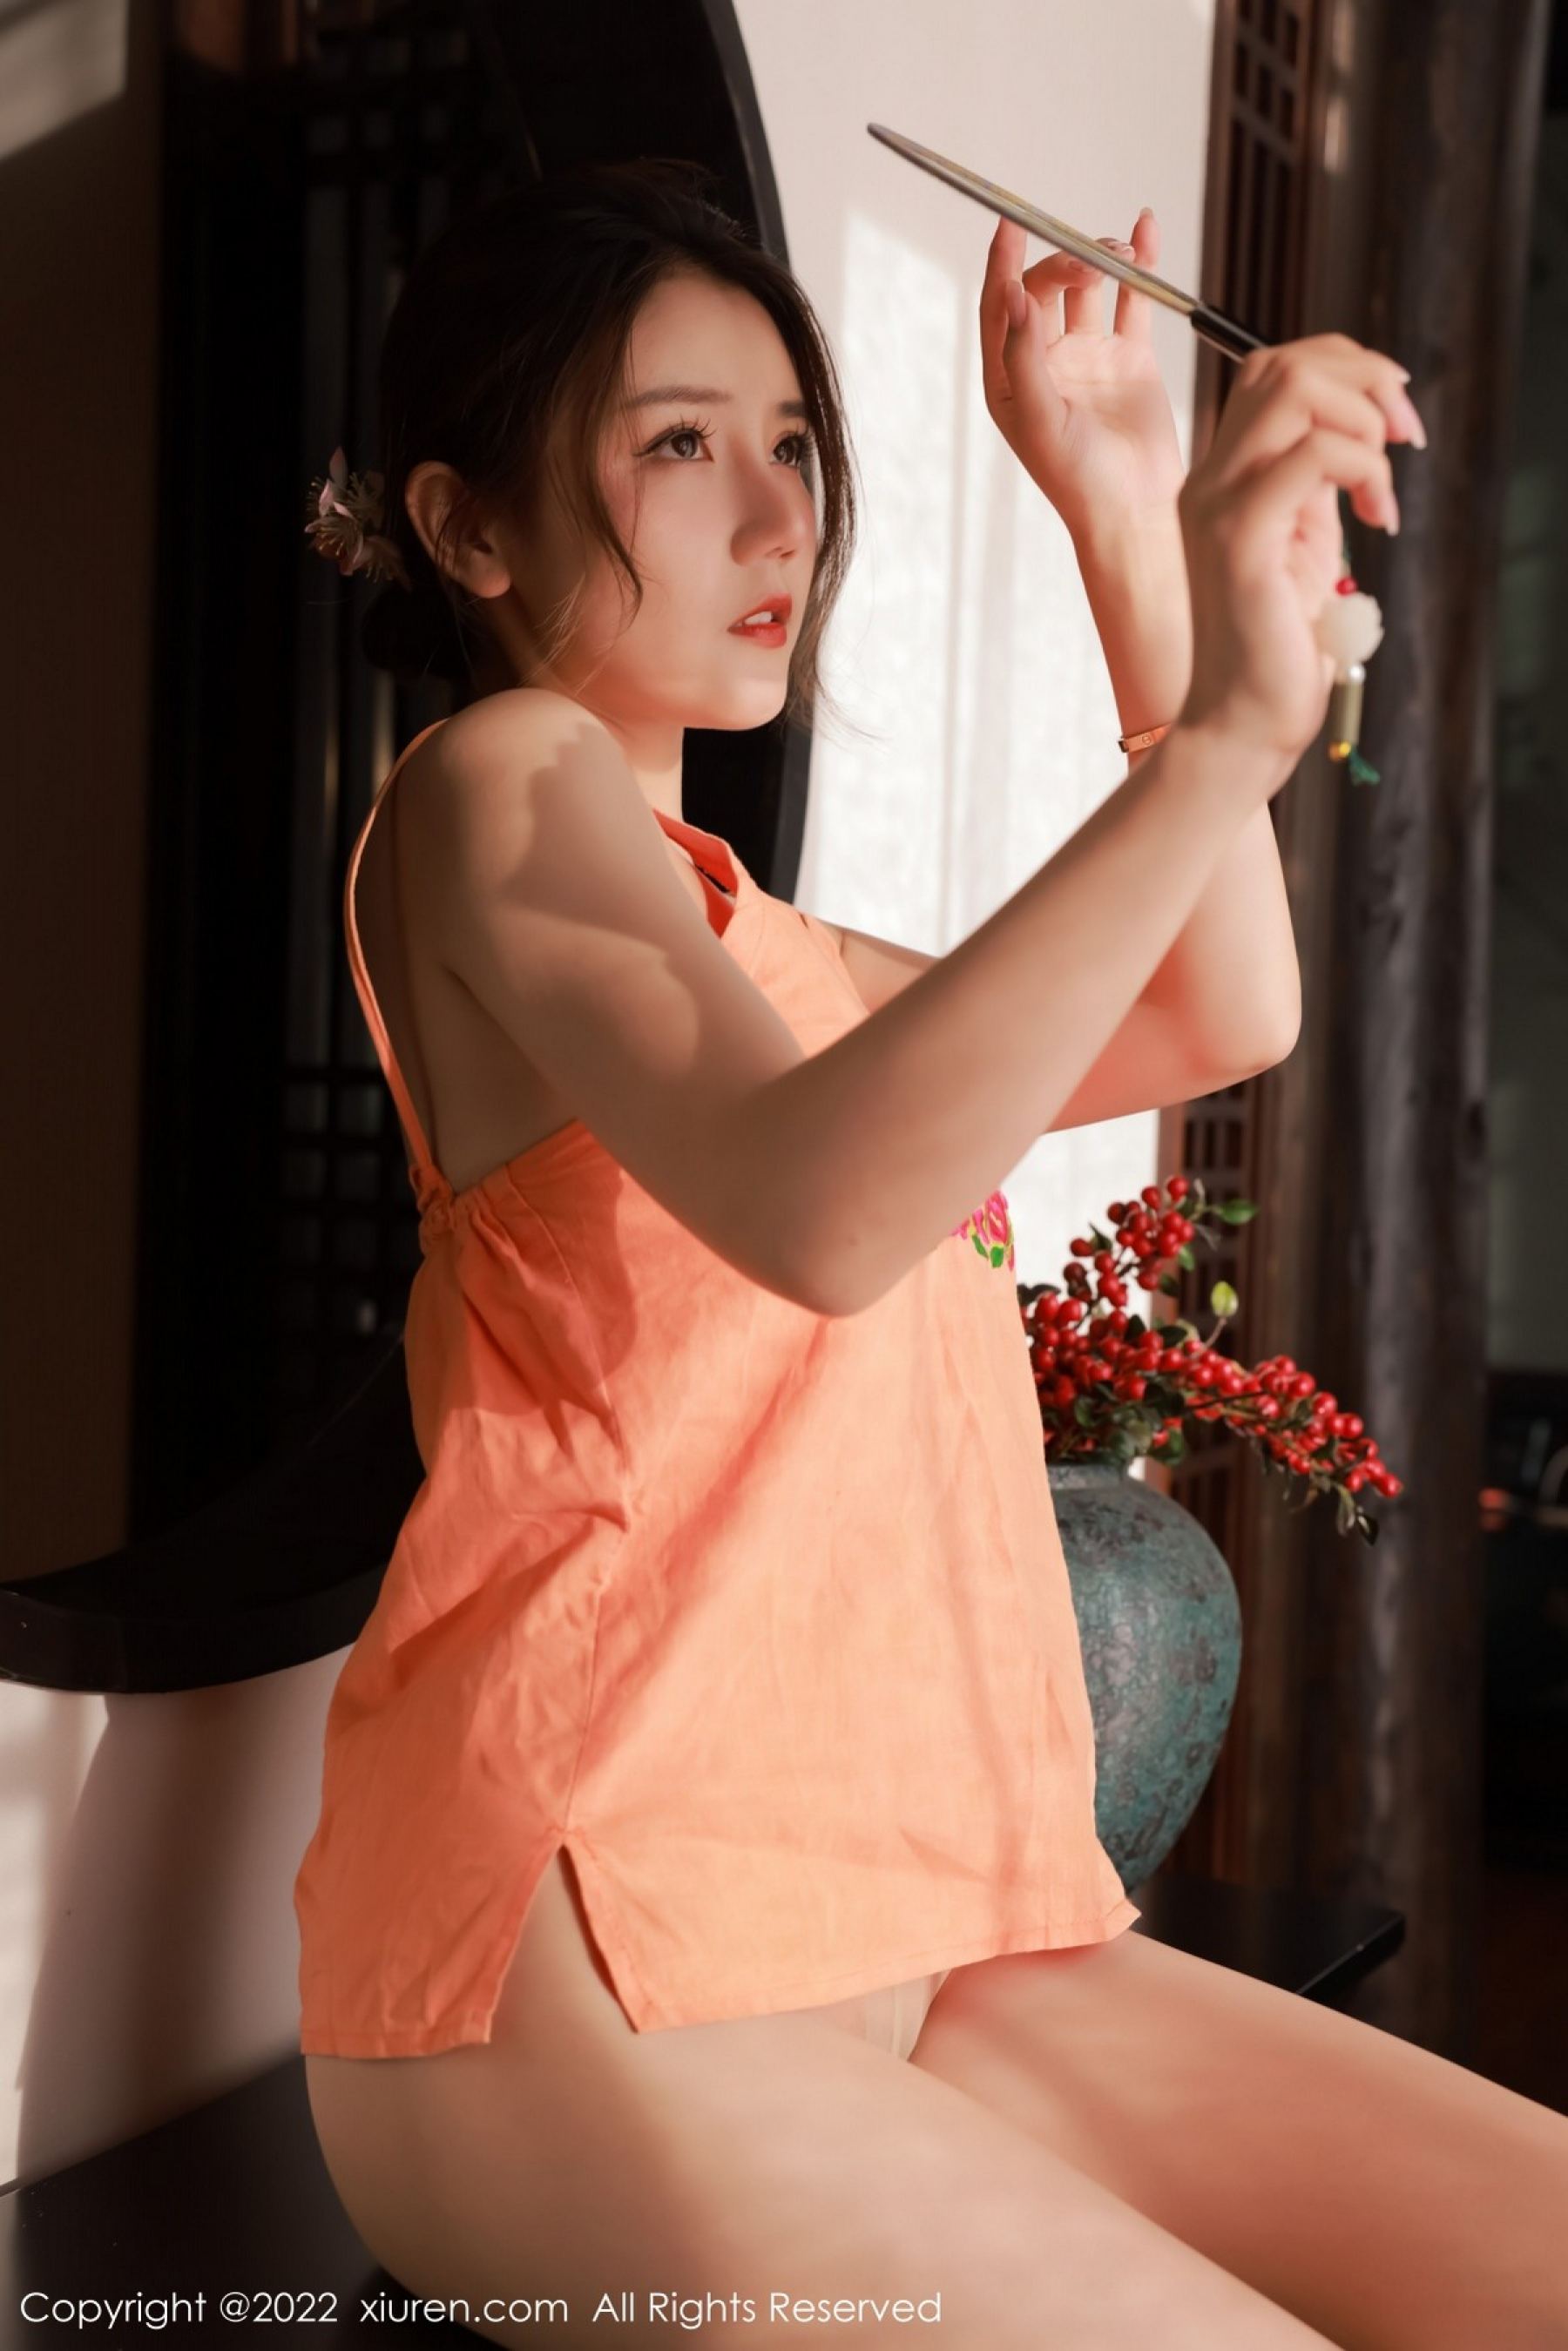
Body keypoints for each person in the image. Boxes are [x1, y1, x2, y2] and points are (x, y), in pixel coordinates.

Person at [296, 159, 1568, 2348]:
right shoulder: (492, 785)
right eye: (678, 442)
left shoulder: (769, 960)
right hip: (584, 1947)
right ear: (468, 530)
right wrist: (1239, 731)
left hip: (914, 1923)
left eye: (795, 442)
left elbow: (1222, 1007)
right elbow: (822, 1205)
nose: (776, 515)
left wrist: (1116, 510)